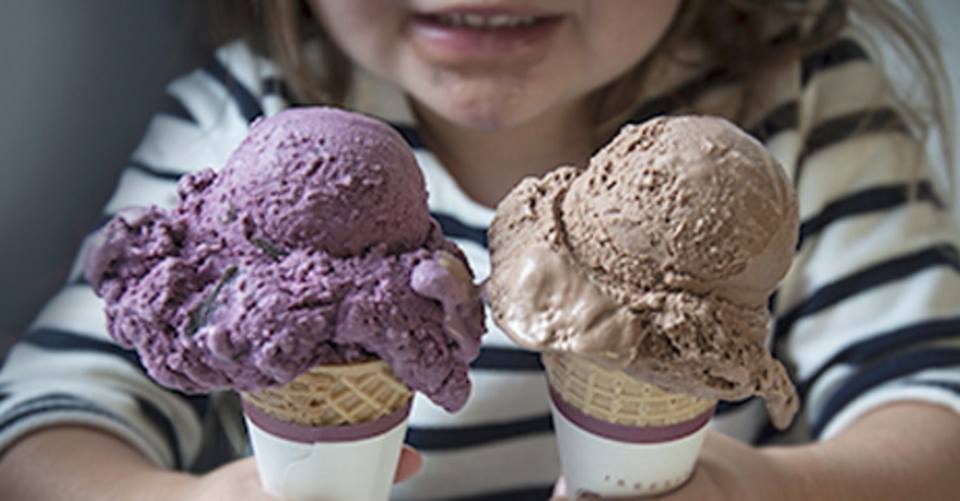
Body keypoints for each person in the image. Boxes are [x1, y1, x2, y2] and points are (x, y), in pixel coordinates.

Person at [1, 0, 959, 499]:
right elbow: (41, 433)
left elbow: (935, 412)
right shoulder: (245, 122)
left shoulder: (803, 102)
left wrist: (769, 493)